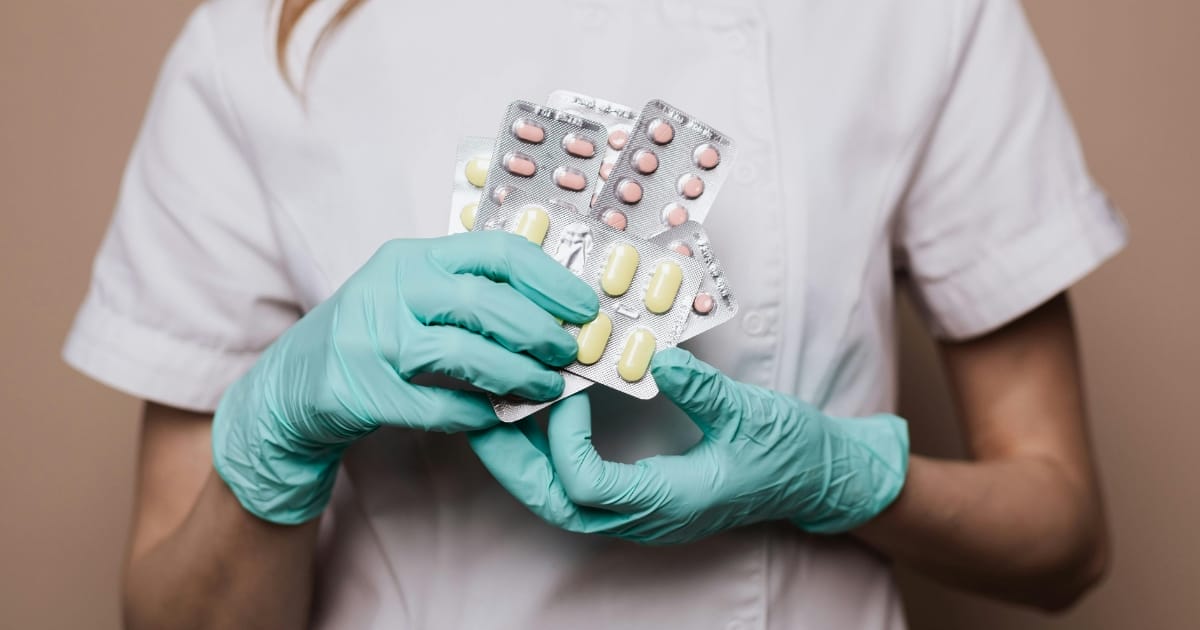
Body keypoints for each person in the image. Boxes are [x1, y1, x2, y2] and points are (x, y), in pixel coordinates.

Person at [63, 0, 1128, 628]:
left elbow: (1065, 539)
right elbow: (170, 616)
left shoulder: (916, 15)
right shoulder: (254, 44)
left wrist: (839, 477)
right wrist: (275, 436)